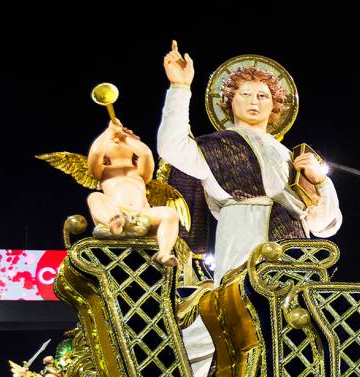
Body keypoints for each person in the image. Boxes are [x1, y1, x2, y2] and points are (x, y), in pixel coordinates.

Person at [158, 41, 341, 283]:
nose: (254, 101)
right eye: (245, 94)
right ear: (229, 101)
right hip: (242, 236)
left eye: (262, 96)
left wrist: (321, 182)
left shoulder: (289, 156)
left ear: (274, 105)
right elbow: (171, 147)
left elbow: (323, 226)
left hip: (294, 246)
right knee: (243, 309)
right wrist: (180, 87)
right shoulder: (217, 146)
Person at [87, 120, 180, 266]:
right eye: (113, 140)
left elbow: (146, 153)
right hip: (116, 213)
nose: (117, 139)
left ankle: (164, 253)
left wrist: (125, 137)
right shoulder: (102, 171)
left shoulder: (140, 172)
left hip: (142, 215)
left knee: (170, 213)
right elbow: (96, 152)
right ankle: (112, 222)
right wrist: (109, 132)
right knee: (95, 197)